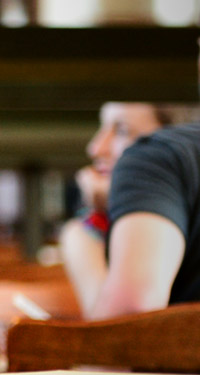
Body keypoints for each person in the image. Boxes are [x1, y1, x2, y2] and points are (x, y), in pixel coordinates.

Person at [58, 103, 199, 318]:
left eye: (122, 130)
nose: (96, 148)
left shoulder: (155, 153)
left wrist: (82, 243)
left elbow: (125, 324)